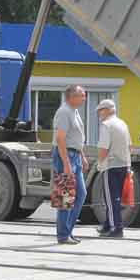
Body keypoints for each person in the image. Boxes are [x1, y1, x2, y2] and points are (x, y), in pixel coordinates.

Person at [52, 85, 89, 245]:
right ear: (71, 97)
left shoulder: (74, 111)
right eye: (82, 95)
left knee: (81, 194)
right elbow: (60, 138)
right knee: (65, 196)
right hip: (65, 155)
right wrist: (66, 162)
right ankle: (62, 235)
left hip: (76, 155)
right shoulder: (64, 112)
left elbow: (75, 137)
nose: (84, 98)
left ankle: (68, 230)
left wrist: (82, 156)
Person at [96, 99, 131, 239]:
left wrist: (99, 163)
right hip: (123, 164)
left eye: (100, 110)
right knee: (115, 198)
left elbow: (104, 148)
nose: (99, 113)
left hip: (110, 165)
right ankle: (107, 225)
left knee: (111, 199)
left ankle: (116, 228)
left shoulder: (106, 125)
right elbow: (130, 146)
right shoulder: (123, 124)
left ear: (107, 110)